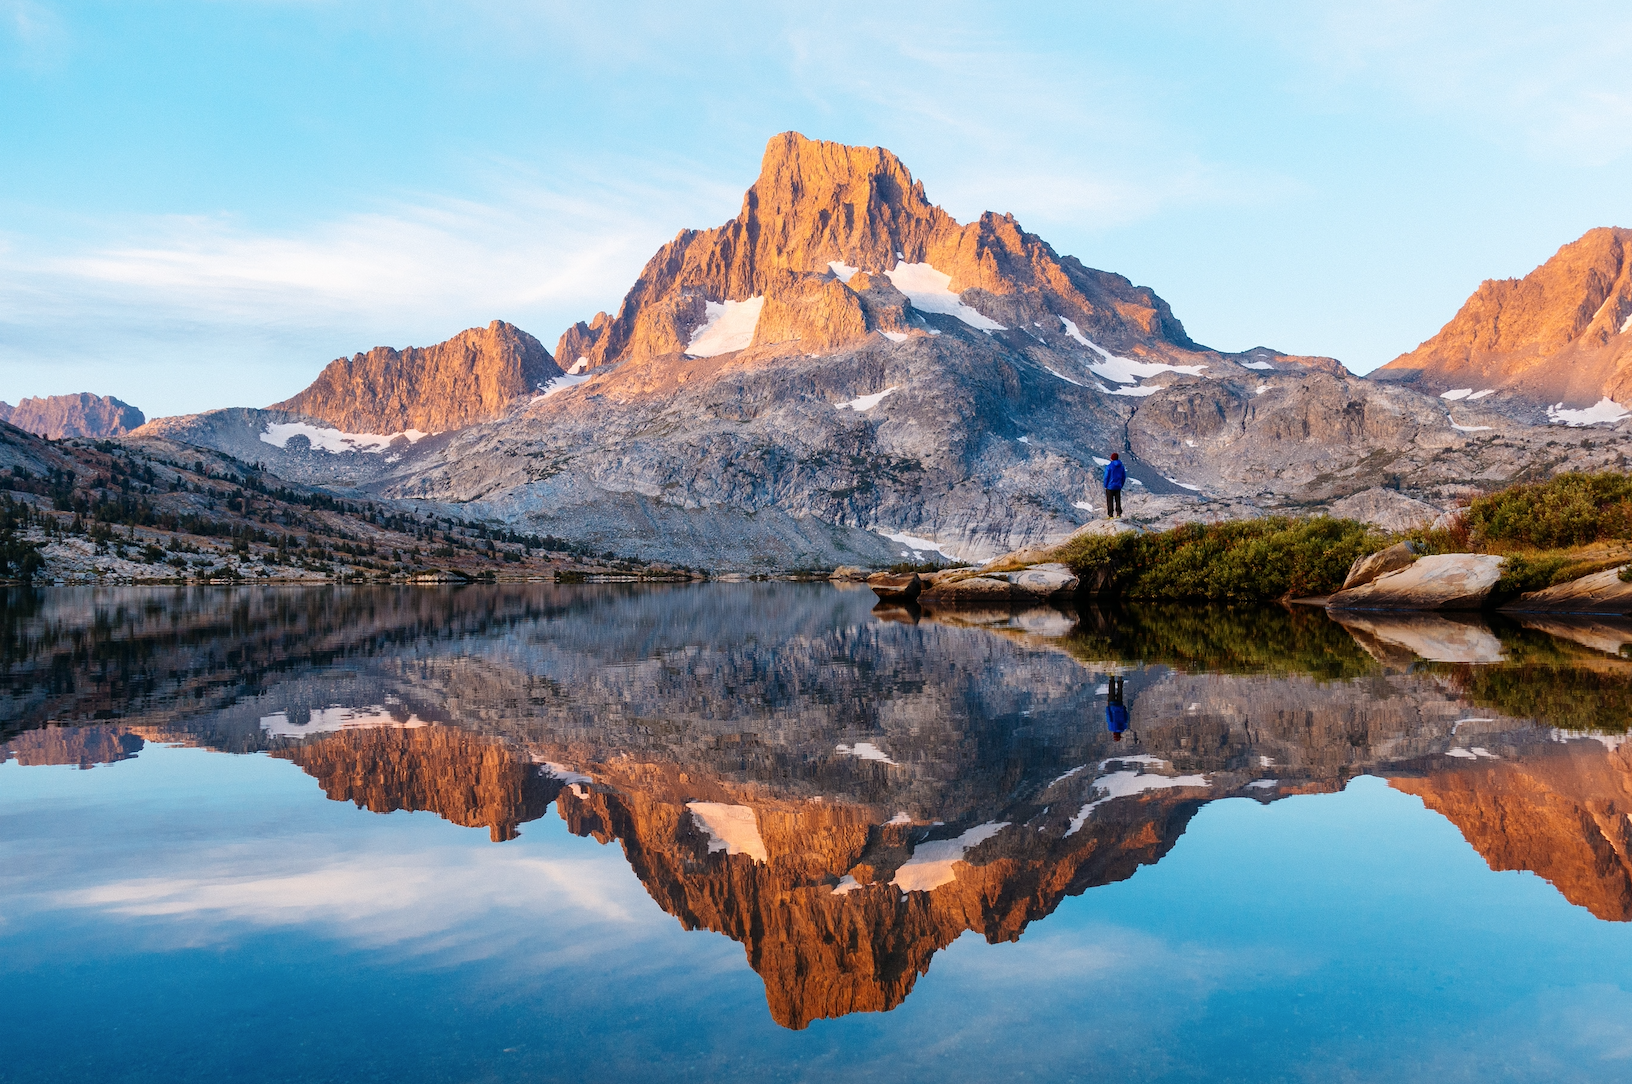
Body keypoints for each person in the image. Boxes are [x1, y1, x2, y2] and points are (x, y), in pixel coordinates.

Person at [1102, 453, 1126, 519]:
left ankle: (1110, 515)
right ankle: (1118, 514)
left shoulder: (1109, 466)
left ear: (1111, 458)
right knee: (1118, 500)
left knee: (1110, 501)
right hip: (1118, 486)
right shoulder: (1121, 467)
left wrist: (1105, 485)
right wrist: (1121, 484)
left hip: (1110, 486)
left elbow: (1106, 477)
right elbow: (1124, 477)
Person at [1105, 675, 1128, 741]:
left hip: (1120, 706)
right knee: (1111, 691)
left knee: (1120, 692)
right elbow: (1109, 717)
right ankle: (1111, 677)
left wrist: (1124, 708)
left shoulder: (1124, 727)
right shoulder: (1111, 728)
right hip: (1112, 706)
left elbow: (1126, 716)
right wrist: (1107, 708)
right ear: (1114, 735)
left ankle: (1120, 678)